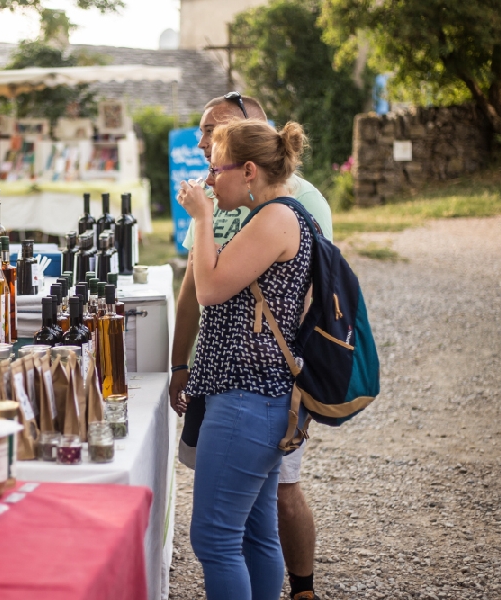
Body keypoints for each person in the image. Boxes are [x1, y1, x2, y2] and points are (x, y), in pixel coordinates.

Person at [170, 94, 329, 600]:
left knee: (214, 539)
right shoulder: (272, 215)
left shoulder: (277, 219)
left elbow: (210, 287)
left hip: (245, 397)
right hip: (253, 396)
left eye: (218, 170)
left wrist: (199, 218)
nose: (210, 180)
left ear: (250, 170)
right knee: (256, 535)